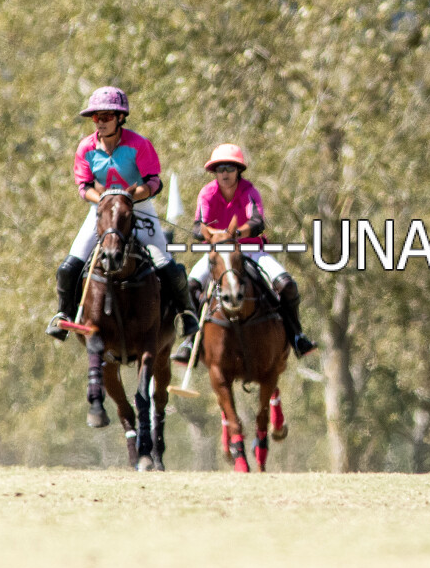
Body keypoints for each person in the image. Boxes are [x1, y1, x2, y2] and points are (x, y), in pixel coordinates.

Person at [45, 87, 198, 341]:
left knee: (167, 265)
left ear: (120, 118)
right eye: (96, 117)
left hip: (139, 208)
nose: (100, 122)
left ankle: (186, 313)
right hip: (102, 211)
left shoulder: (139, 144)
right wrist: (107, 201)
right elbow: (83, 187)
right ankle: (64, 313)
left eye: (106, 117)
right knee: (69, 267)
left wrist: (128, 199)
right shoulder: (85, 148)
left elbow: (154, 182)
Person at [172, 143, 316, 363]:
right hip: (219, 253)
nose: (225, 173)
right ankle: (191, 341)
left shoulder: (249, 191)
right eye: (220, 169)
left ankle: (297, 335)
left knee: (287, 285)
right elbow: (198, 227)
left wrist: (235, 233)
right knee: (190, 286)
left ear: (238, 170)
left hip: (251, 249)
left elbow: (257, 222)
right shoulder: (207, 193)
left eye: (230, 168)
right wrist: (217, 236)